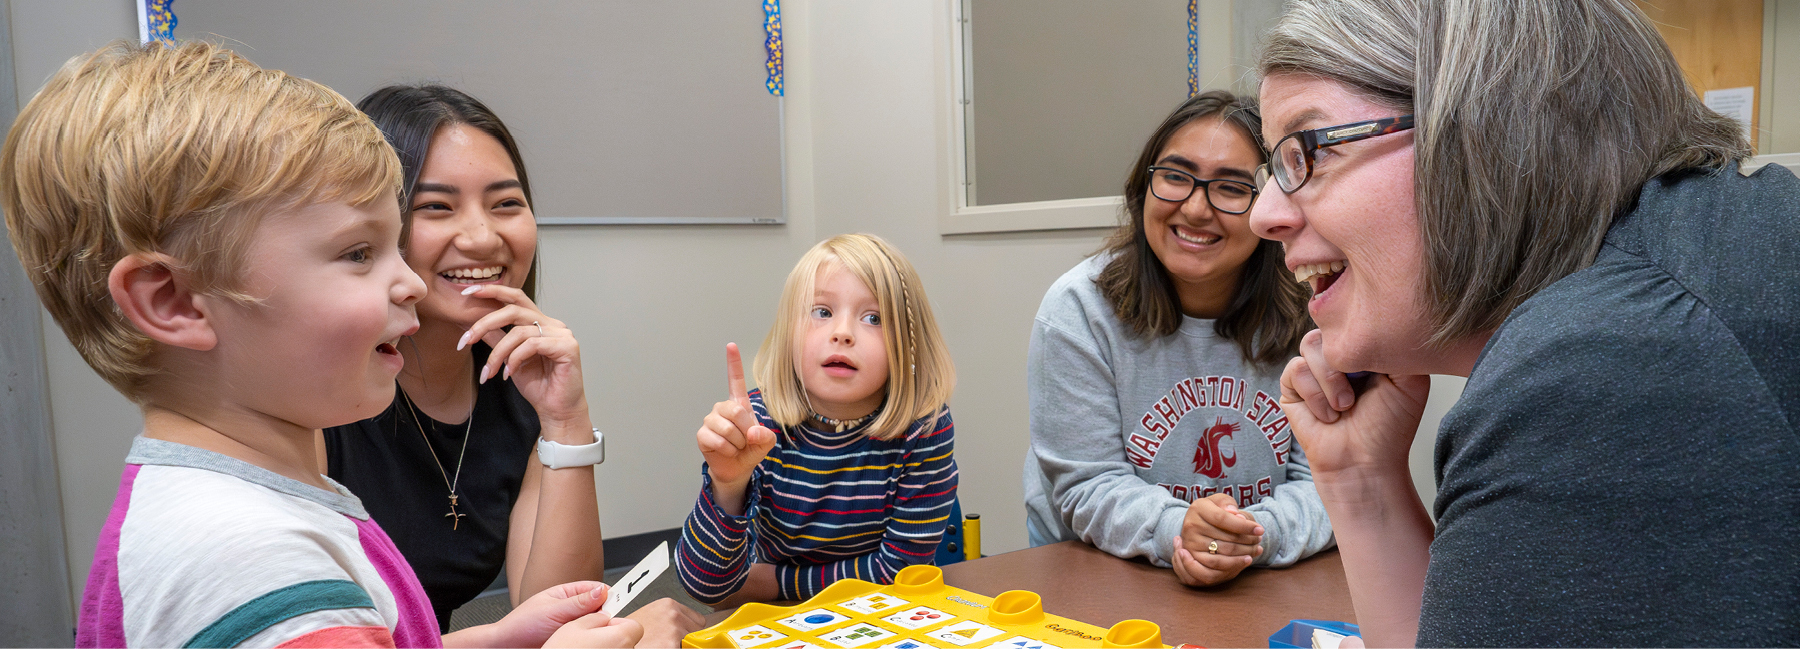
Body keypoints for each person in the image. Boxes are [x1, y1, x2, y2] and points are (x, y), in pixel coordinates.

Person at [4, 41, 640, 648]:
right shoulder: (250, 559)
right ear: (171, 301)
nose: (410, 282)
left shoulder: (259, 502)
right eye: (359, 253)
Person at [1248, 0, 1799, 646]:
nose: (1264, 213)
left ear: (1480, 130)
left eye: (1306, 149)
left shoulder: (1609, 362)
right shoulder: (1689, 257)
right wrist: (1360, 480)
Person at [320, 85, 701, 645]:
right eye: (436, 207)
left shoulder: (515, 377)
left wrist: (565, 420)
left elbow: (557, 615)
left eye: (506, 203)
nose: (482, 237)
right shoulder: (316, 396)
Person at [1022, 91, 1332, 587]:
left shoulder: (1316, 313)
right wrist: (1180, 531)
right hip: (1102, 572)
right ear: (1143, 187)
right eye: (1175, 176)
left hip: (1264, 573)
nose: (1194, 208)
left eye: (1231, 187)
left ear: (1273, 205)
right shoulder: (1077, 311)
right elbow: (1088, 483)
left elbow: (1330, 482)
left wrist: (1251, 536)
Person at [675, 234, 958, 606]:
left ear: (908, 345)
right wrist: (728, 483)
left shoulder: (924, 427)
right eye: (822, 312)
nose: (842, 333)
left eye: (873, 318)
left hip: (880, 615)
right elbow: (707, 588)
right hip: (776, 623)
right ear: (789, 332)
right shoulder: (757, 424)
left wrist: (771, 581)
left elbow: (898, 573)